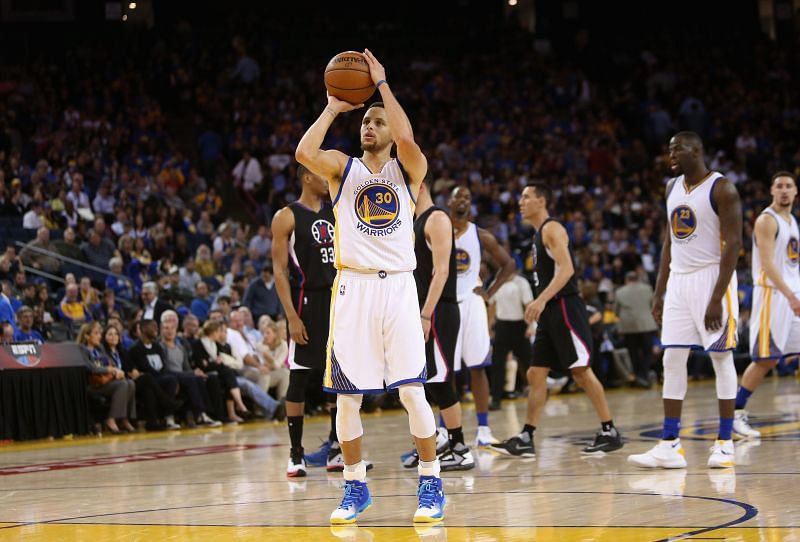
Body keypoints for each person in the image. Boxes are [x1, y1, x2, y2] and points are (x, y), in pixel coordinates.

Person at [295, 49, 445, 523]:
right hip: (353, 289)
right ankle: (355, 487)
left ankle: (431, 482)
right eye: (367, 123)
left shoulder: (409, 170)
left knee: (412, 393)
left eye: (376, 123)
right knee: (347, 396)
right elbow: (303, 153)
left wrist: (381, 86)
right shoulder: (342, 167)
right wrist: (335, 107)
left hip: (399, 288)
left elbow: (405, 135)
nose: (370, 127)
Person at [628, 132, 742, 469]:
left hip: (712, 278)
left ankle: (725, 442)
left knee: (721, 358)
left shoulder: (723, 188)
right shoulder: (671, 187)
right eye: (669, 149)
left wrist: (717, 297)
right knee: (672, 358)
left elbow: (734, 246)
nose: (671, 154)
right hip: (679, 280)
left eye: (677, 149)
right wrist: (660, 290)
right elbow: (668, 242)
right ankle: (669, 444)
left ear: (696, 150)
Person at [491, 183, 623, 457]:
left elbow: (567, 269)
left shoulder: (552, 229)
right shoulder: (538, 235)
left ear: (542, 201)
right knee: (535, 373)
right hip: (549, 311)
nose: (521, 202)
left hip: (564, 306)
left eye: (526, 197)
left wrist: (540, 300)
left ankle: (609, 430)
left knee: (580, 372)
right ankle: (527, 436)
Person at [272, 168, 344, 476]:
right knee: (299, 379)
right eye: (321, 175)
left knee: (338, 377)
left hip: (338, 301)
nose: (328, 180)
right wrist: (291, 316)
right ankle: (295, 452)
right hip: (306, 302)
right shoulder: (286, 216)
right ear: (306, 177)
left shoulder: (337, 212)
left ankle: (336, 446)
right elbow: (278, 271)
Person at [407, 180, 474, 471]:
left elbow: (443, 270)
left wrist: (425, 314)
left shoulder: (436, 218)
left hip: (437, 310)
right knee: (420, 382)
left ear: (419, 185)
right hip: (421, 310)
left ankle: (460, 447)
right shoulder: (414, 223)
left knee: (440, 380)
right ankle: (438, 440)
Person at [733, 172, 800, 438]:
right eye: (779, 186)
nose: (784, 190)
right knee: (766, 359)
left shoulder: (792, 220)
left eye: (789, 186)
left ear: (795, 192)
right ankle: (736, 414)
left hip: (791, 294)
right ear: (772, 191)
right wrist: (790, 295)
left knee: (773, 357)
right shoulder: (766, 220)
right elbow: (769, 264)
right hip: (773, 295)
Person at [448, 186, 516, 446]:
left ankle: (484, 429)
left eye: (466, 197)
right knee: (448, 371)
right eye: (458, 196)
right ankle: (446, 431)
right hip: (447, 304)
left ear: (471, 204)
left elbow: (509, 264)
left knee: (478, 367)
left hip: (473, 302)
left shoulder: (481, 235)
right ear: (449, 201)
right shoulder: (437, 228)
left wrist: (489, 292)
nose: (462, 200)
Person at [78, 321, 136, 434]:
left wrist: (116, 370)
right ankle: (111, 419)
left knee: (130, 383)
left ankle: (124, 419)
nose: (99, 336)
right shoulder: (82, 349)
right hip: (93, 384)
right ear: (86, 336)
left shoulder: (99, 348)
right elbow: (91, 368)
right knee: (123, 384)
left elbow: (109, 363)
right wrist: (110, 370)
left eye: (99, 333)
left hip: (105, 381)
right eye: (96, 333)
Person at [488, 271, 534, 407]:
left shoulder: (521, 282)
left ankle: (539, 391)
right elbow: (492, 305)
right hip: (502, 326)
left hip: (520, 326)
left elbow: (528, 304)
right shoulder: (496, 283)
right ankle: (496, 398)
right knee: (498, 364)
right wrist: (489, 325)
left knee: (529, 363)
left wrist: (531, 325)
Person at [614, 271, 658, 388]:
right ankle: (643, 374)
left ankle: (639, 376)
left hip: (628, 327)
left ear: (626, 280)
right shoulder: (648, 289)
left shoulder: (619, 292)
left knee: (633, 353)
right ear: (638, 279)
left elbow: (616, 311)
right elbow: (652, 306)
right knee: (647, 351)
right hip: (646, 325)